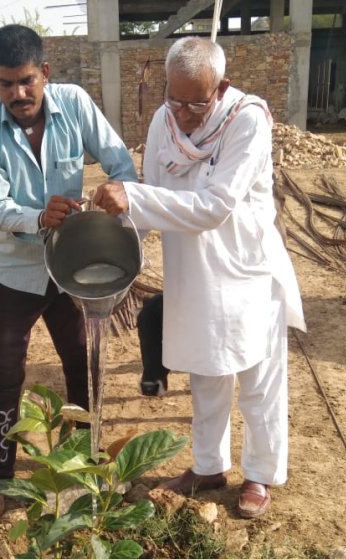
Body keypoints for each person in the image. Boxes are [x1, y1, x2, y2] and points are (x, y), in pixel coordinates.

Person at [92, 37, 306, 519]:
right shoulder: (162, 121)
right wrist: (112, 234)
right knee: (208, 374)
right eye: (175, 98)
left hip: (246, 271)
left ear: (221, 87)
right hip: (193, 272)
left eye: (197, 102)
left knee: (258, 378)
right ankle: (209, 466)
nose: (185, 114)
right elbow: (148, 198)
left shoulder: (246, 119)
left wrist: (136, 199)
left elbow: (215, 206)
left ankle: (260, 474)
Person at [0, 24, 137, 518]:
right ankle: (0, 473)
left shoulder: (76, 104)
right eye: (4, 84)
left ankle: (86, 463)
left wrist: (115, 196)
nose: (17, 94)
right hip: (14, 273)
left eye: (25, 81)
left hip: (70, 267)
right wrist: (38, 218)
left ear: (44, 72)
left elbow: (121, 163)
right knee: (5, 371)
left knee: (81, 361)